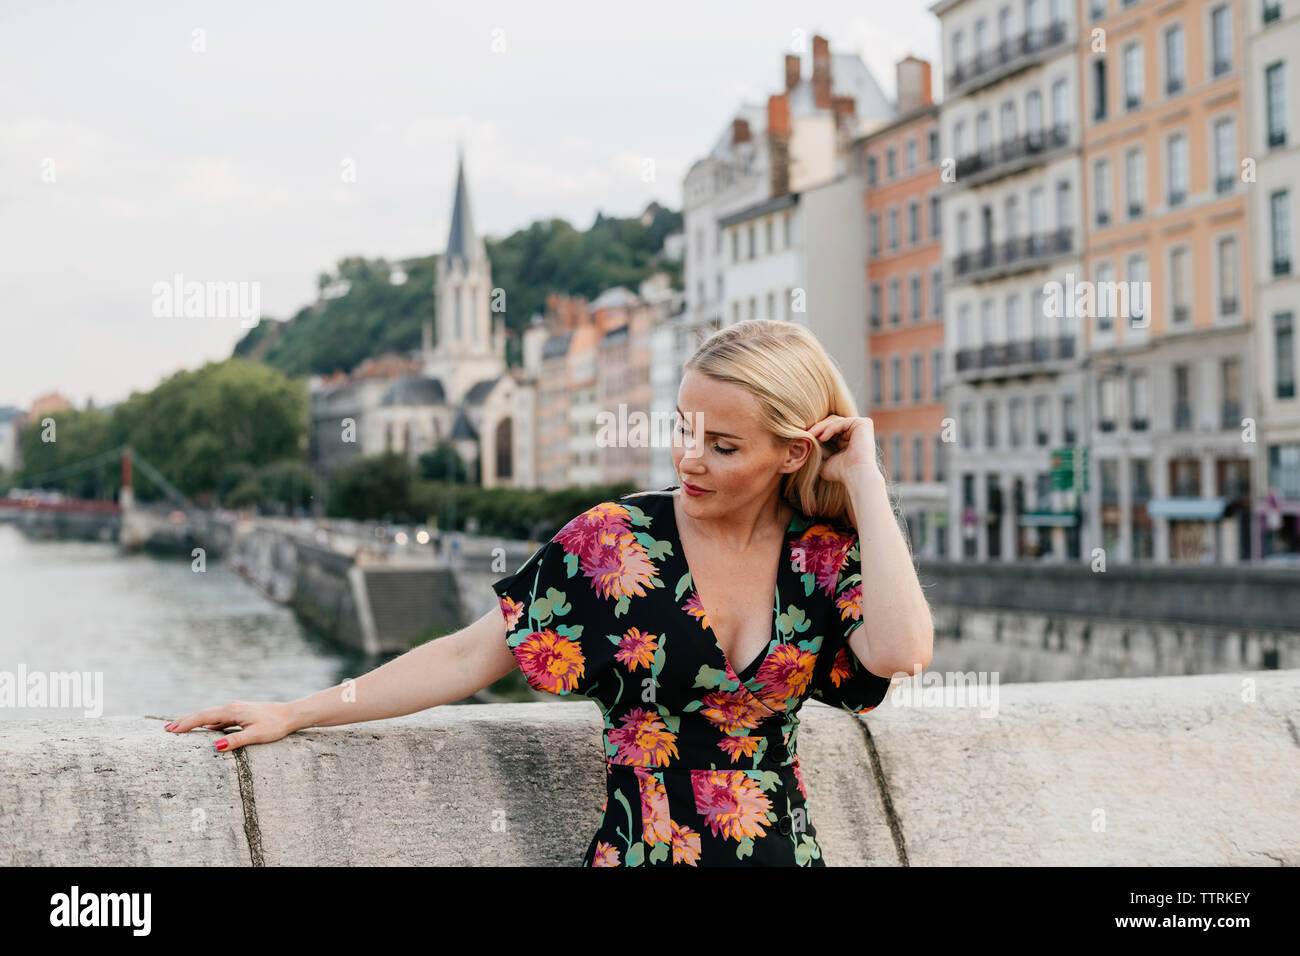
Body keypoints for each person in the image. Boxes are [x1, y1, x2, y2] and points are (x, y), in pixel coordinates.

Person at [163, 319, 933, 866]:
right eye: (682, 429)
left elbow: (901, 650)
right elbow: (467, 654)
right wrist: (296, 711)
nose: (688, 458)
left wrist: (862, 474)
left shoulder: (822, 558)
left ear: (793, 451)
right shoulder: (615, 544)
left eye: (722, 446)